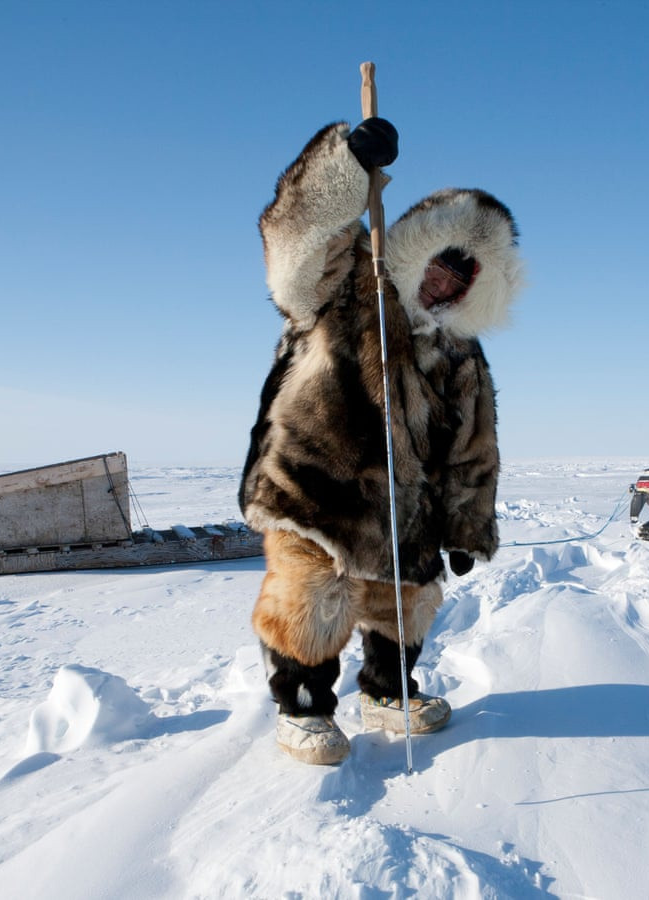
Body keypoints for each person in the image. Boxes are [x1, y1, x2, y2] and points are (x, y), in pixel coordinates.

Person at [239, 115, 523, 764]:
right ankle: (302, 709)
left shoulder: (460, 350)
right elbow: (295, 239)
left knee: (407, 601)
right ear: (416, 248)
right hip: (316, 487)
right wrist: (343, 168)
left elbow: (472, 447)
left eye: (465, 273)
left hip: (405, 506)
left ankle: (388, 693)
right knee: (311, 602)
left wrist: (466, 522)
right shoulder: (344, 288)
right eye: (442, 262)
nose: (447, 281)